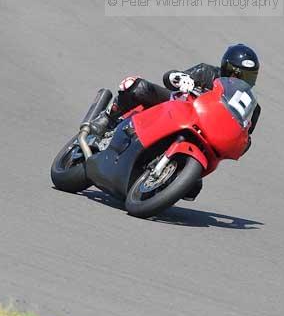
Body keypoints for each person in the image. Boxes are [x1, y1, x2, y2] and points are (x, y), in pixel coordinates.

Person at [90, 43, 261, 200]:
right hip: (174, 111)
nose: (241, 80)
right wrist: (181, 78)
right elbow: (169, 78)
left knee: (192, 189)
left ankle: (165, 175)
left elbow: (244, 134)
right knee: (136, 87)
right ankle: (106, 119)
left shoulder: (252, 108)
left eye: (248, 76)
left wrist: (243, 142)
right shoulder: (208, 73)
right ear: (227, 68)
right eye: (239, 74)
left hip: (206, 137)